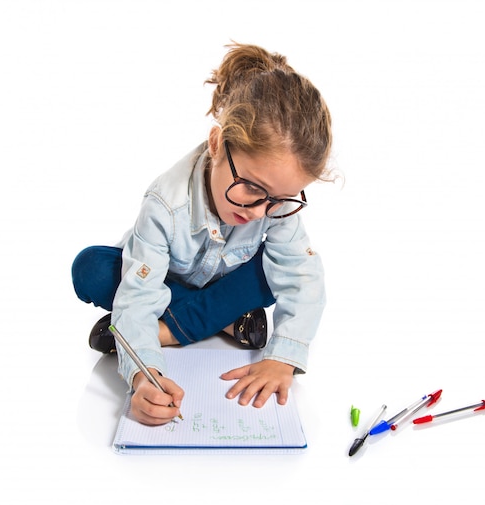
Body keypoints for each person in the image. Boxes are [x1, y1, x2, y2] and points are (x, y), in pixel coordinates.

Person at [71, 42, 333, 426]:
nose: (259, 211)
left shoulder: (274, 207)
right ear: (216, 144)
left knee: (274, 273)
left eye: (278, 199)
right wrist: (146, 374)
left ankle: (169, 329)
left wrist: (283, 358)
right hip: (168, 283)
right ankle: (225, 322)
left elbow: (301, 278)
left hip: (223, 285)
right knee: (91, 269)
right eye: (251, 188)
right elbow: (140, 293)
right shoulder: (165, 203)